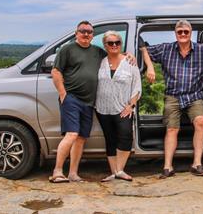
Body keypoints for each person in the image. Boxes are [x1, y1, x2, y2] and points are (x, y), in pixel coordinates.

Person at [140, 19, 203, 178]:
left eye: (185, 32)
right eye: (179, 32)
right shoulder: (166, 49)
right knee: (172, 129)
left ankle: (197, 164)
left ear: (190, 33)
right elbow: (143, 48)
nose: (182, 34)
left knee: (201, 121)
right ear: (176, 33)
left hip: (194, 95)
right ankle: (168, 167)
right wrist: (150, 66)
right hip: (173, 96)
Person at [49, 21, 107, 183]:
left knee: (81, 138)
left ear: (93, 35)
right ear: (76, 33)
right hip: (71, 98)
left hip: (88, 102)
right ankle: (57, 171)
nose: (86, 34)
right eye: (83, 31)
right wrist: (63, 94)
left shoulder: (97, 51)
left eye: (89, 32)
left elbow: (114, 55)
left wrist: (128, 56)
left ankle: (73, 173)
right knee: (72, 134)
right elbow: (56, 71)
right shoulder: (67, 49)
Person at [95, 31, 141, 182]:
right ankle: (114, 172)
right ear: (105, 45)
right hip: (102, 108)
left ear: (121, 44)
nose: (114, 45)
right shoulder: (100, 62)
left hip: (123, 107)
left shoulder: (130, 63)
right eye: (110, 43)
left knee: (125, 135)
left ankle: (120, 169)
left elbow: (137, 86)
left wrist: (131, 105)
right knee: (110, 139)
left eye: (117, 42)